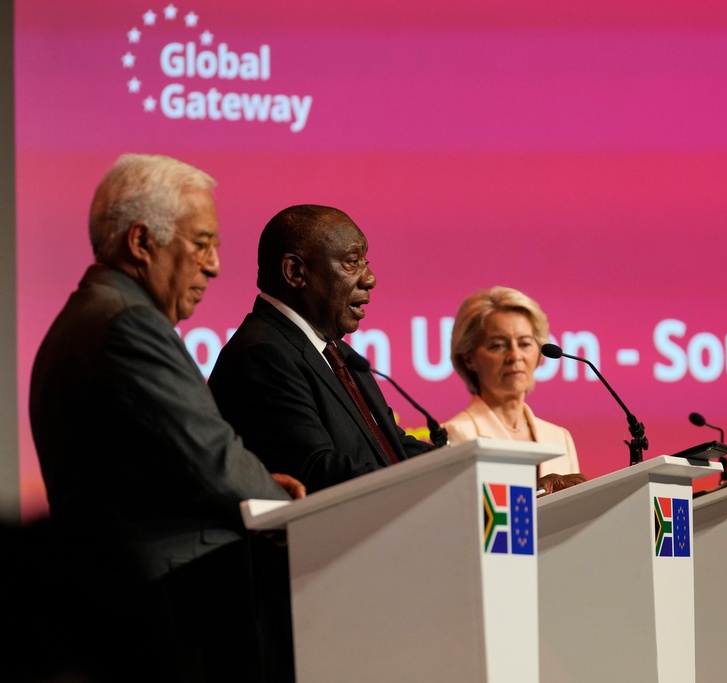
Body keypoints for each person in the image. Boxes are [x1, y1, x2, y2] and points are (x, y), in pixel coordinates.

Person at [28, 153, 305, 683]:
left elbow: (161, 458)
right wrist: (282, 507)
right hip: (174, 602)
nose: (215, 265)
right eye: (201, 242)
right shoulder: (127, 324)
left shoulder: (91, 316)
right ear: (141, 242)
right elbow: (210, 456)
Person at [208, 204, 433, 494]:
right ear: (295, 272)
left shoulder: (337, 354)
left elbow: (392, 447)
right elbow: (315, 472)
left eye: (366, 262)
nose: (370, 279)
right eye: (352, 262)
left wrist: (466, 465)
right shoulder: (263, 355)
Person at [443, 286, 587, 493]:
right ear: (469, 359)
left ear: (538, 354)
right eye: (498, 345)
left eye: (525, 343)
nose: (514, 356)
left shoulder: (560, 438)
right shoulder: (457, 434)